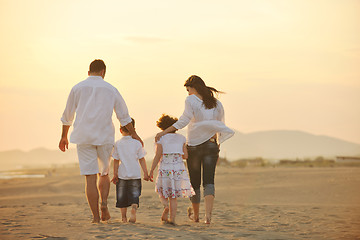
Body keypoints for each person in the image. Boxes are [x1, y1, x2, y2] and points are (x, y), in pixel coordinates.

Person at [59, 59, 143, 223]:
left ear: (88, 72)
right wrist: (134, 134)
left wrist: (63, 136)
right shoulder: (111, 89)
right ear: (103, 72)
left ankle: (96, 217)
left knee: (90, 177)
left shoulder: (77, 88)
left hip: (83, 137)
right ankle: (104, 204)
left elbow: (67, 116)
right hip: (104, 137)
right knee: (103, 174)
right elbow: (124, 117)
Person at [155, 75, 234, 224]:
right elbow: (219, 124)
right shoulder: (216, 103)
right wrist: (217, 145)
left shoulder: (190, 100)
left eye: (188, 89)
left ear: (194, 87)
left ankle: (196, 216)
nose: (188, 93)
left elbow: (184, 120)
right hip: (211, 144)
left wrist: (164, 131)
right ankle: (208, 217)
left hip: (194, 146)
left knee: (195, 182)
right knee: (209, 181)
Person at [149, 114, 194, 225]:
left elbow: (158, 155)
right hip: (178, 169)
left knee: (161, 191)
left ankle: (166, 207)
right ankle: (172, 219)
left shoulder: (161, 138)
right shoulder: (182, 138)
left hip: (165, 168)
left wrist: (151, 171)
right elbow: (185, 156)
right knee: (173, 196)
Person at [111, 118, 149, 223]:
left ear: (120, 130)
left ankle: (123, 217)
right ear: (133, 129)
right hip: (135, 175)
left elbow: (115, 161)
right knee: (135, 196)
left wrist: (115, 174)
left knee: (122, 197)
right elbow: (142, 159)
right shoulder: (137, 143)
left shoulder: (117, 144)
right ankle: (133, 208)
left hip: (122, 175)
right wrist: (146, 173)